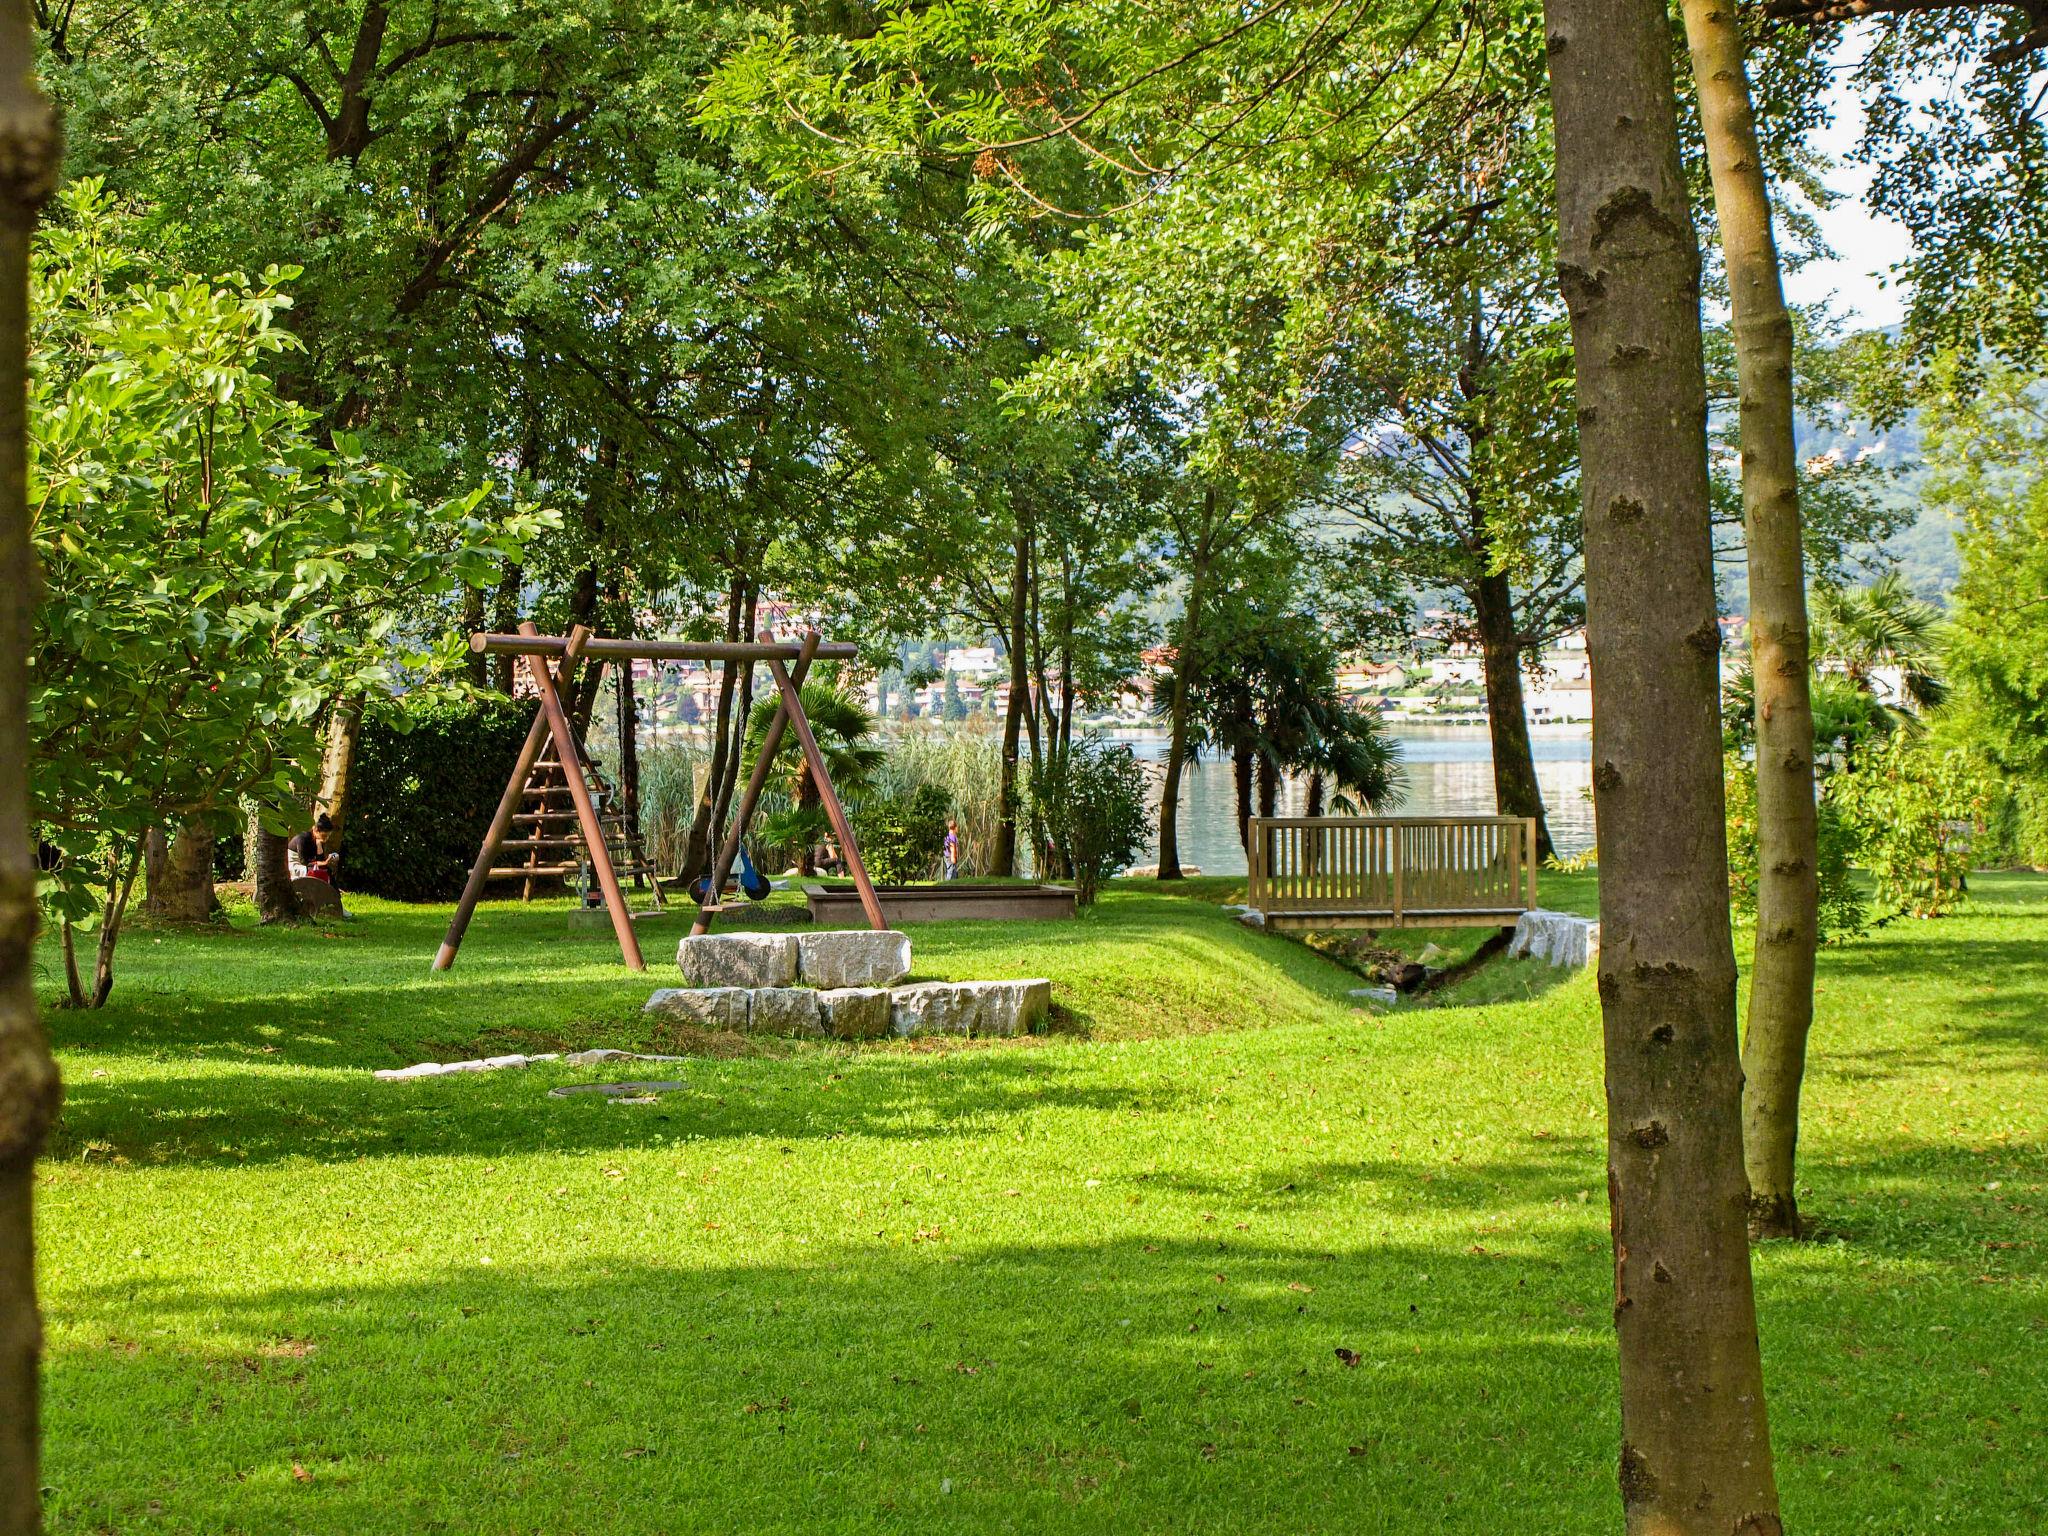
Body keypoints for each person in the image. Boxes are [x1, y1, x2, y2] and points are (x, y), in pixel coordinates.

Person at [289, 813, 339, 885]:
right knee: (314, 871)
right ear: (315, 830)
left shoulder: (318, 840)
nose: (326, 839)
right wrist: (323, 863)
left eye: (328, 836)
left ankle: (335, 894)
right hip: (295, 865)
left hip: (308, 865)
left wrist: (319, 846)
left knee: (327, 870)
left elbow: (320, 860)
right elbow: (304, 861)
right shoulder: (303, 838)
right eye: (324, 836)